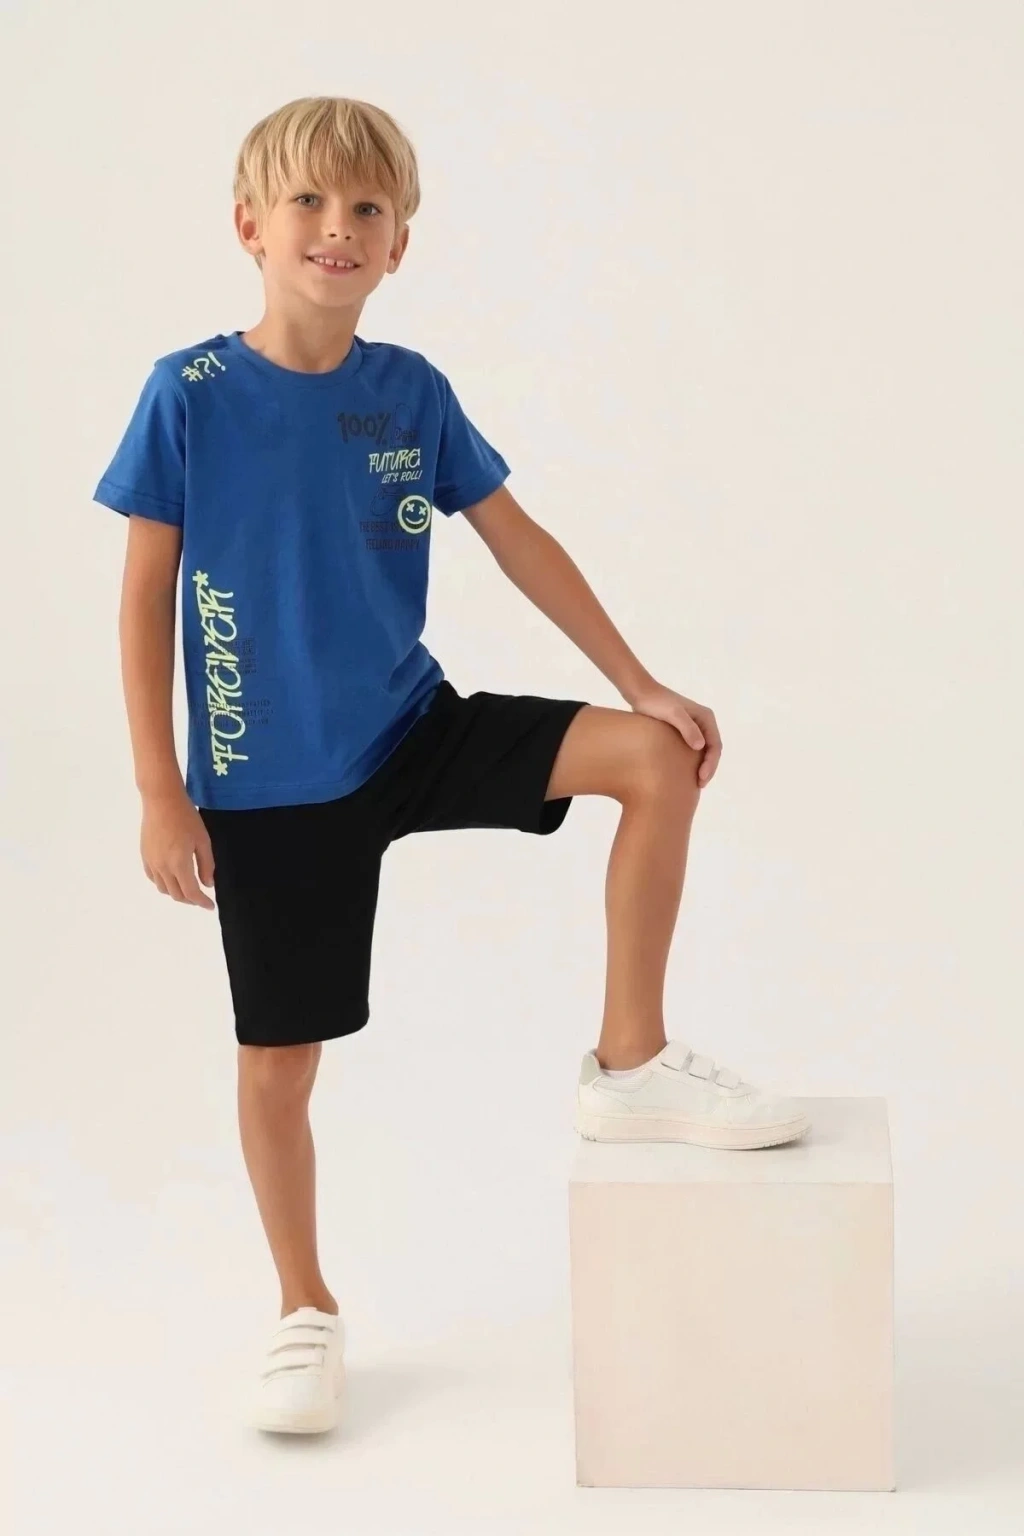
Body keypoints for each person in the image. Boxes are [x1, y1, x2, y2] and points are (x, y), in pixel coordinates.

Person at [92, 95, 809, 1436]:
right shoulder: (188, 396)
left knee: (655, 759)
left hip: (411, 729)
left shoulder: (411, 392)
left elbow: (516, 537)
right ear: (249, 227)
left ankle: (631, 1061)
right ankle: (304, 1309)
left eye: (368, 208)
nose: (338, 227)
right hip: (268, 780)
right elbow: (142, 598)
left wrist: (640, 682)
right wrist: (157, 786)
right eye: (308, 202)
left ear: (399, 244)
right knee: (279, 1064)